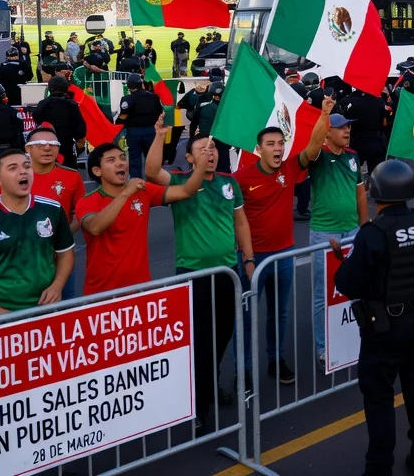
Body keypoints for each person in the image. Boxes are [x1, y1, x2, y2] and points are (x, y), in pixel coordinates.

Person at [333, 160, 414, 476]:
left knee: (380, 397)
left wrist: (345, 262)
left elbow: (347, 283)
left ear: (375, 192)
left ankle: (379, 467)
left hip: (383, 328)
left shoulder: (372, 233)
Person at [143, 133, 256, 422]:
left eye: (213, 148)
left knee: (223, 336)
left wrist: (248, 259)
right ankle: (199, 405)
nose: (211, 153)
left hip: (227, 272)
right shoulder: (179, 181)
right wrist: (158, 136)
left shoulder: (228, 183)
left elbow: (240, 221)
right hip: (193, 274)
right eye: (203, 149)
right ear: (190, 158)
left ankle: (210, 382)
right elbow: (152, 171)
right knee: (200, 340)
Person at [231, 120, 321, 386]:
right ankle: (243, 371)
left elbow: (314, 149)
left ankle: (276, 361)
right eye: (270, 144)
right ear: (259, 149)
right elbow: (232, 218)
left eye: (281, 143)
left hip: (283, 255)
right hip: (252, 259)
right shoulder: (242, 178)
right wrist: (245, 256)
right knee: (245, 317)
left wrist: (324, 114)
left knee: (279, 313)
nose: (277, 148)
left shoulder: (291, 168)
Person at [0, 149, 76, 316]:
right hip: (0, 312)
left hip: (47, 308)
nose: (23, 171)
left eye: (27, 166)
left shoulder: (53, 209)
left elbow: (65, 254)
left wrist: (57, 286)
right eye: (12, 168)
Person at [79, 140, 202, 295]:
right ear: (97, 171)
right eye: (112, 160)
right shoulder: (87, 202)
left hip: (140, 290)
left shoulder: (143, 191)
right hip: (101, 293)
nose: (120, 163)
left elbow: (185, 191)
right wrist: (125, 193)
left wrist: (201, 167)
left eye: (123, 158)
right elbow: (95, 227)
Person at [302, 98, 369, 363]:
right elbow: (310, 150)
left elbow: (360, 194)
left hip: (352, 230)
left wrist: (364, 226)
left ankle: (351, 336)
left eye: (348, 127)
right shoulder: (317, 156)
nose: (347, 131)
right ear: (327, 132)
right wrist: (325, 114)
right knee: (324, 292)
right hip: (324, 234)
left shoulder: (353, 157)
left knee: (356, 286)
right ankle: (323, 346)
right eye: (341, 127)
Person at [32, 76, 86, 168]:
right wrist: (78, 138)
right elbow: (80, 126)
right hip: (67, 142)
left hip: (48, 142)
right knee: (69, 169)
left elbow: (37, 118)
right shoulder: (71, 104)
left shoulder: (43, 103)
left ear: (50, 88)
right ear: (66, 88)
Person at [117, 79, 164, 179]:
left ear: (129, 87)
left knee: (134, 160)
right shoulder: (154, 97)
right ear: (141, 84)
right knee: (152, 158)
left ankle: (136, 184)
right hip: (151, 131)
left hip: (134, 132)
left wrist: (117, 124)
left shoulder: (127, 99)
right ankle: (155, 182)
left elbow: (123, 116)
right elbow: (159, 112)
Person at [343, 86, 391, 175]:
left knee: (354, 172)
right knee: (376, 174)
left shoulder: (353, 102)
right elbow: (386, 119)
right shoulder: (379, 101)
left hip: (358, 141)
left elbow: (346, 118)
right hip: (375, 140)